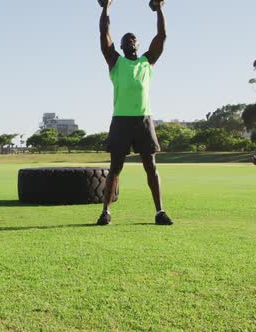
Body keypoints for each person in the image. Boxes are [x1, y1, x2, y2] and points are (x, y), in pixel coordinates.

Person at [97, 0, 173, 226]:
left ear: (138, 44)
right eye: (125, 39)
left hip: (144, 120)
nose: (130, 40)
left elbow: (162, 36)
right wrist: (106, 7)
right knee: (115, 168)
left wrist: (159, 8)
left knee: (151, 167)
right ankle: (105, 213)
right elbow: (104, 33)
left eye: (133, 38)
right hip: (121, 121)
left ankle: (160, 212)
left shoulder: (146, 63)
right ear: (120, 46)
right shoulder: (115, 63)